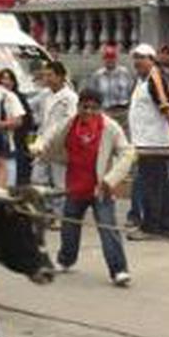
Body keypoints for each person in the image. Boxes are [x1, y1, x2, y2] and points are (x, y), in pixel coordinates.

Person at [33, 88, 135, 285]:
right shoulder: (69, 123)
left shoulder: (110, 127)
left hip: (100, 188)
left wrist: (111, 179)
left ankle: (119, 270)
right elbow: (49, 135)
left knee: (108, 230)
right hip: (75, 185)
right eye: (84, 107)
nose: (88, 111)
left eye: (94, 108)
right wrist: (40, 147)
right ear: (78, 106)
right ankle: (65, 260)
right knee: (69, 227)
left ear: (100, 109)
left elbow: (127, 153)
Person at [126, 44, 169, 240]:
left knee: (151, 186)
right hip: (148, 143)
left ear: (151, 59)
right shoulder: (144, 80)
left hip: (154, 143)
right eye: (135, 58)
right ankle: (167, 225)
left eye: (141, 58)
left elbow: (167, 108)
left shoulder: (155, 78)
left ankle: (151, 227)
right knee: (161, 185)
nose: (137, 62)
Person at [33, 61, 78, 211]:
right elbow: (30, 107)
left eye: (50, 75)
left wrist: (55, 140)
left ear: (60, 77)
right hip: (42, 142)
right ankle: (46, 209)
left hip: (60, 144)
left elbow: (69, 123)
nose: (47, 78)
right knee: (38, 178)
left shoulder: (70, 98)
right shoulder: (44, 94)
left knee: (59, 182)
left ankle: (60, 214)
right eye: (45, 75)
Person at [87, 44, 135, 130]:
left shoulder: (125, 73)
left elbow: (132, 92)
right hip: (105, 112)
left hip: (123, 113)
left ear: (116, 59)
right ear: (103, 59)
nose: (110, 60)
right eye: (107, 58)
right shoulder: (97, 75)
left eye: (112, 58)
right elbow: (92, 95)